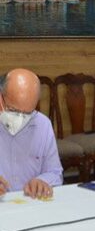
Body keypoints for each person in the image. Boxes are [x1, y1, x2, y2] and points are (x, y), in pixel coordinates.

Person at [0, 69, 62, 199]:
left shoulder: (43, 125)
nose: (20, 119)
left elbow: (55, 172)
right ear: (1, 98)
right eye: (13, 110)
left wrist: (42, 181)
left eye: (27, 113)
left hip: (30, 201)